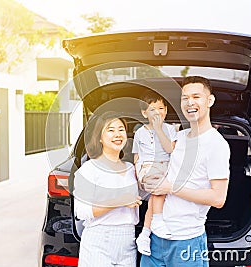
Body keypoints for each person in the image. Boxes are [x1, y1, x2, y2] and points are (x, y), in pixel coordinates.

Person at [141, 76, 231, 266]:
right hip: (155, 238)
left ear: (210, 100)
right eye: (184, 98)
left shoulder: (216, 144)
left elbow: (218, 198)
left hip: (186, 241)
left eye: (196, 96)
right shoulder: (180, 137)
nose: (189, 102)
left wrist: (170, 187)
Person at [73, 113, 143, 267]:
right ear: (99, 137)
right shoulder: (90, 169)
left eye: (121, 130)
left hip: (128, 241)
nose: (117, 135)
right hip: (100, 240)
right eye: (110, 130)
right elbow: (81, 211)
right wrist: (119, 201)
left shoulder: (131, 169)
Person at [133, 91, 178, 256]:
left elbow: (170, 149)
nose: (158, 112)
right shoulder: (140, 132)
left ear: (166, 110)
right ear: (144, 113)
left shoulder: (170, 129)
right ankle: (157, 220)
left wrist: (159, 129)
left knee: (157, 195)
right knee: (159, 189)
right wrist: (138, 173)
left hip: (166, 167)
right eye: (152, 109)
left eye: (161, 108)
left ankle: (145, 234)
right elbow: (137, 156)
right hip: (147, 168)